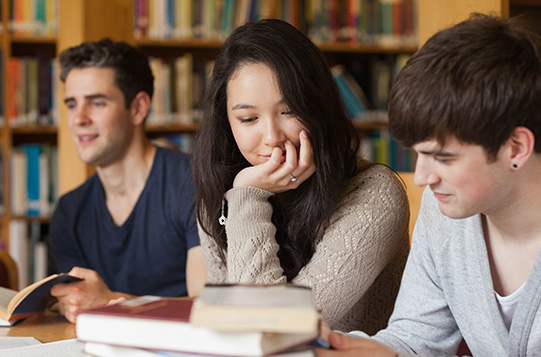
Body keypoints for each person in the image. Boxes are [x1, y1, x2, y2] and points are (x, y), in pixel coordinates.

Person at [319, 14, 541, 356]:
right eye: (419, 155)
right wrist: (340, 347)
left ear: (516, 148)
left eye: (443, 158)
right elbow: (414, 340)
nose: (422, 178)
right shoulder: (445, 215)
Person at [192, 19, 410, 333]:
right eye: (248, 118)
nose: (271, 137)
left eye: (289, 111)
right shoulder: (222, 191)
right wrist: (244, 195)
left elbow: (277, 330)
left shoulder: (376, 193)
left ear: (318, 107)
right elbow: (233, 327)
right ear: (227, 122)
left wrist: (247, 197)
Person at [49, 39, 207, 323]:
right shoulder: (68, 211)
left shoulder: (194, 184)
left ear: (137, 108)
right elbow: (78, 303)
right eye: (72, 104)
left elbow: (207, 307)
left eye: (97, 102)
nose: (78, 119)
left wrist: (111, 302)